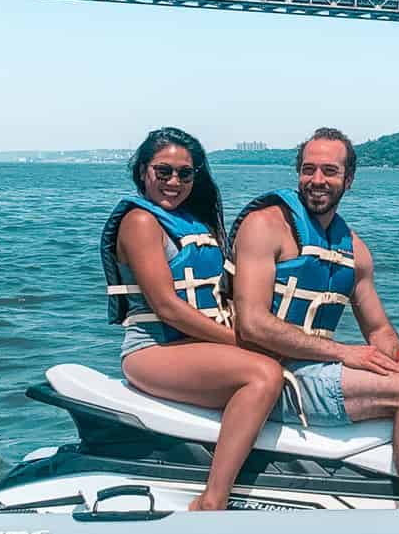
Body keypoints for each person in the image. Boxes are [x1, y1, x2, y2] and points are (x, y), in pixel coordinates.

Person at [227, 127, 399, 507]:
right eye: (308, 169)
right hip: (269, 377)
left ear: (349, 179)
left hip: (312, 369)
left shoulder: (354, 250)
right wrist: (344, 353)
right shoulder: (265, 226)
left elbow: (378, 329)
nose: (317, 180)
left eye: (330, 171)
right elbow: (252, 323)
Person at [102, 127, 284, 511]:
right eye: (163, 171)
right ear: (143, 171)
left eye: (185, 174)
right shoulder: (140, 222)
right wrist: (242, 341)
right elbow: (166, 307)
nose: (174, 181)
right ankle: (213, 499)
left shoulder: (194, 221)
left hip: (196, 346)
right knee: (263, 374)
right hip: (153, 349)